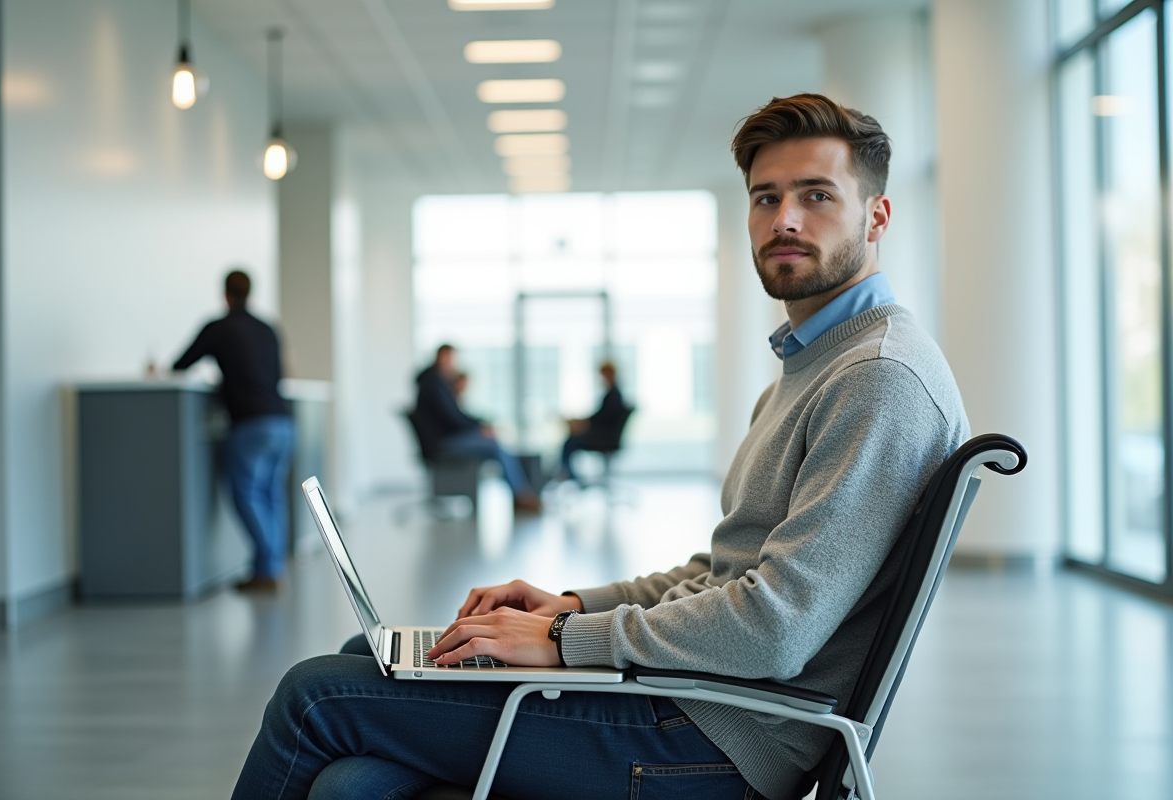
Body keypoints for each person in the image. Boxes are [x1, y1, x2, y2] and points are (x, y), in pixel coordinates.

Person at [231, 93, 970, 799]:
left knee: (314, 696)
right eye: (766, 197)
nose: (785, 219)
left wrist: (561, 637)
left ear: (876, 217)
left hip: (710, 740)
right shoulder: (808, 368)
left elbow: (774, 627)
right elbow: (723, 571)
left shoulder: (877, 380)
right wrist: (575, 603)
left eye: (817, 195)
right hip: (693, 698)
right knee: (359, 736)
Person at [173, 270, 294, 592]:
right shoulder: (268, 328)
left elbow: (181, 365)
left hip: (251, 424)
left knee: (248, 494)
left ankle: (267, 570)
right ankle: (270, 567)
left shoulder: (219, 327)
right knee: (271, 496)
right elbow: (279, 374)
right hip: (282, 422)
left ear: (225, 294)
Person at [413, 344, 542, 512]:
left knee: (493, 441)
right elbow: (452, 417)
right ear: (444, 358)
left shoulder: (435, 382)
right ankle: (521, 495)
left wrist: (480, 424)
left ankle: (521, 493)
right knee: (493, 444)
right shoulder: (434, 384)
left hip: (443, 438)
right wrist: (479, 428)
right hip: (442, 443)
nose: (454, 364)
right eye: (453, 359)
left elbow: (457, 414)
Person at [556, 360, 628, 484]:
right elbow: (599, 416)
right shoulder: (612, 394)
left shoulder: (613, 396)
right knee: (571, 439)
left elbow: (601, 419)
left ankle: (568, 473)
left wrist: (582, 423)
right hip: (603, 436)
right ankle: (568, 473)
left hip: (603, 438)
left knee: (570, 442)